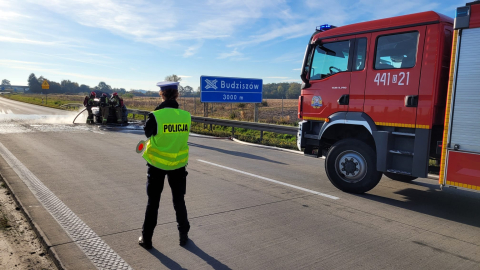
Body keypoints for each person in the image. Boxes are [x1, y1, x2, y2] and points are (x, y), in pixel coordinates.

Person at [138, 81, 191, 249]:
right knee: (179, 201)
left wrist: (157, 111)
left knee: (153, 203)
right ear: (177, 94)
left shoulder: (156, 115)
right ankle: (183, 236)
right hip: (178, 165)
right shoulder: (186, 116)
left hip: (157, 165)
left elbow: (147, 133)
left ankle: (147, 239)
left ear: (161, 93)